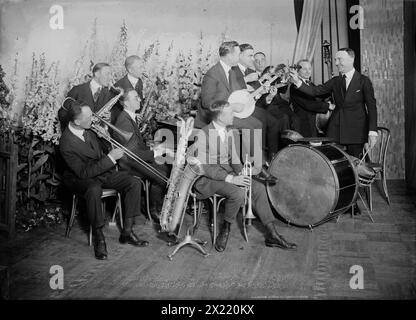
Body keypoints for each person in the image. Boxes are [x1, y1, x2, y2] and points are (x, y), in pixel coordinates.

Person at [190, 100, 297, 252]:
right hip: (207, 179)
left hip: (227, 174)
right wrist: (231, 179)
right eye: (230, 113)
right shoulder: (203, 134)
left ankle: (272, 234)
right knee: (238, 193)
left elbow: (233, 158)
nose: (234, 115)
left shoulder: (229, 131)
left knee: (258, 187)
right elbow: (205, 167)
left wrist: (241, 173)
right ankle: (225, 229)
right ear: (220, 117)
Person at [290, 48, 378, 214]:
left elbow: (371, 107)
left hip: (356, 130)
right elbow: (316, 91)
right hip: (335, 128)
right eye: (336, 60)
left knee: (354, 166)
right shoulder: (335, 81)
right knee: (335, 165)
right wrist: (298, 83)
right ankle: (336, 199)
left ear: (351, 59)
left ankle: (352, 203)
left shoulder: (364, 81)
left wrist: (372, 131)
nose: (336, 63)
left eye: (339, 60)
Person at [59, 101, 149, 260]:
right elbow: (83, 172)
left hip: (100, 171)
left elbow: (99, 153)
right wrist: (110, 159)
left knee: (133, 182)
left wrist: (105, 138)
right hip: (79, 178)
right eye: (88, 117)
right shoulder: (66, 142)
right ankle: (98, 237)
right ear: (77, 121)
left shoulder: (88, 129)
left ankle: (127, 232)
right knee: (94, 190)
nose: (93, 120)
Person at [112, 88, 173, 219]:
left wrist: (155, 148)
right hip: (129, 163)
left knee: (166, 169)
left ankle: (155, 204)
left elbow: (137, 146)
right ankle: (152, 209)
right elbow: (132, 154)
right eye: (135, 98)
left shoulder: (128, 117)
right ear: (126, 103)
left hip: (135, 159)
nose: (139, 99)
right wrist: (156, 151)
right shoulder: (124, 121)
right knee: (162, 175)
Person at [233, 44, 289, 159]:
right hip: (239, 110)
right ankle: (259, 159)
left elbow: (256, 94)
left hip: (252, 106)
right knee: (263, 121)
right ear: (240, 55)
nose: (253, 59)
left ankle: (272, 157)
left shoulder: (249, 70)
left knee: (274, 122)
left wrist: (268, 95)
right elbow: (231, 90)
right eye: (250, 56)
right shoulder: (233, 70)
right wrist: (247, 80)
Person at [58, 63, 117, 130]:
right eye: (107, 74)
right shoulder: (77, 90)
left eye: (111, 74)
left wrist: (109, 118)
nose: (110, 77)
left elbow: (113, 119)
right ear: (97, 74)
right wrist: (78, 120)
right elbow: (62, 114)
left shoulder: (108, 94)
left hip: (96, 138)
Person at [290, 59, 335, 137]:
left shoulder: (310, 84)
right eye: (304, 69)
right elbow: (308, 104)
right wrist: (328, 106)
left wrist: (331, 89)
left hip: (315, 120)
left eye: (309, 69)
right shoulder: (295, 86)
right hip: (305, 123)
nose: (308, 71)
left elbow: (317, 94)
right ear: (297, 71)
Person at [111, 55, 146, 124]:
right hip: (123, 123)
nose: (143, 69)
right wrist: (133, 115)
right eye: (140, 67)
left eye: (143, 66)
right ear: (130, 70)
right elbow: (114, 111)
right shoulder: (118, 86)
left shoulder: (139, 81)